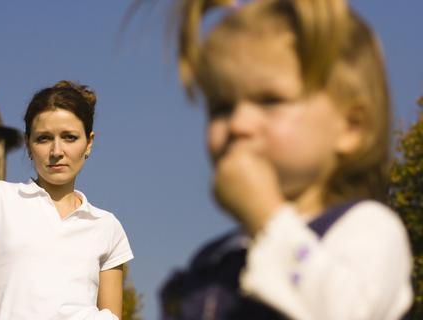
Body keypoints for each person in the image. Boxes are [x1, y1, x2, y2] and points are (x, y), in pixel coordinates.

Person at [160, 0, 413, 319]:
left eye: (270, 100)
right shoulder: (214, 260)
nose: (238, 124)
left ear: (350, 126)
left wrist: (267, 217)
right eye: (221, 107)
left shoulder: (369, 230)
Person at [0, 81, 134, 320]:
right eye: (44, 138)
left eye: (69, 137)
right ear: (28, 144)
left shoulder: (108, 226)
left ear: (89, 142)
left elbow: (112, 315)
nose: (56, 150)